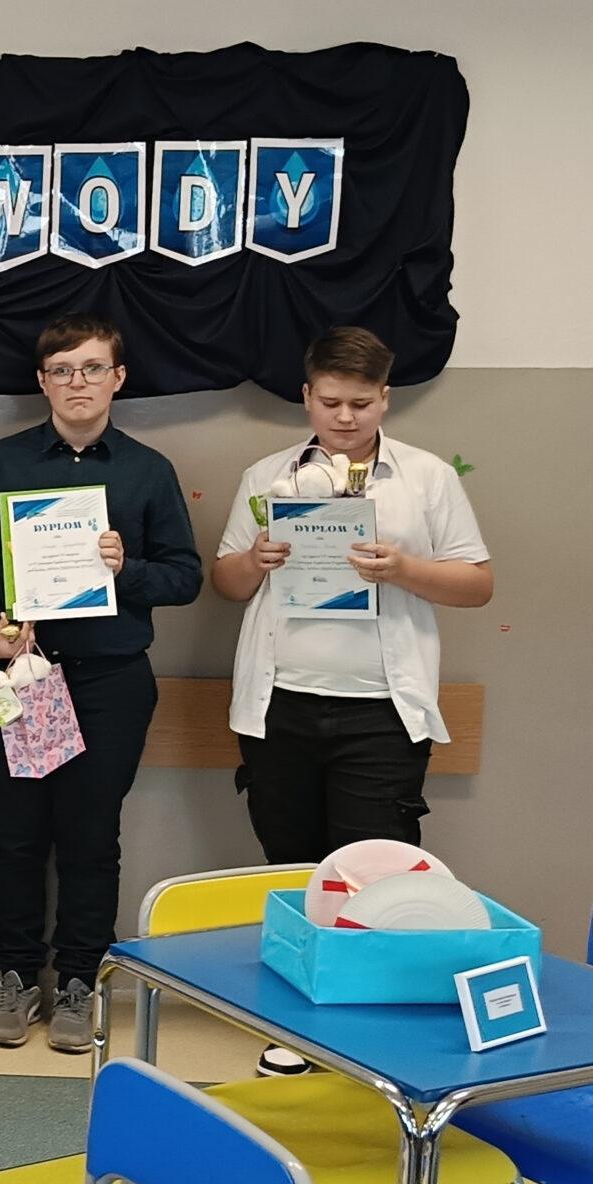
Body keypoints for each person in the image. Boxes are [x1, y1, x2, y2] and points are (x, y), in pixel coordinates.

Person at [211, 326, 491, 1075]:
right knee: (293, 871)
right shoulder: (267, 476)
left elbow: (478, 584)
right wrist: (256, 559)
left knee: (377, 875)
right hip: (278, 706)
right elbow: (226, 584)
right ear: (306, 396)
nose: (344, 417)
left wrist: (404, 569)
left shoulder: (426, 478)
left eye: (360, 404)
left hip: (382, 711)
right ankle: (297, 1030)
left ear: (385, 399)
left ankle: (371, 1039)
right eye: (330, 401)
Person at [0, 314, 200, 1054]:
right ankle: (16, 976)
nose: (77, 382)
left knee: (91, 838)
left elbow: (185, 577)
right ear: (42, 381)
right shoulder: (2, 464)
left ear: (118, 378)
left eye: (92, 368)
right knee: (14, 836)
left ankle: (81, 981)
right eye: (62, 370)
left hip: (110, 681)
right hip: (18, 677)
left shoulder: (148, 470)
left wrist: (129, 569)